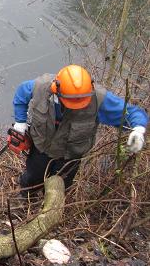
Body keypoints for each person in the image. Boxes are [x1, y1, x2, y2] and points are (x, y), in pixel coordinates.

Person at [11, 64, 148, 195]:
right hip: (40, 148)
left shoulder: (98, 99)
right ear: (56, 88)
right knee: (31, 179)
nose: (76, 105)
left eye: (80, 100)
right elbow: (21, 95)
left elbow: (132, 113)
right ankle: (26, 197)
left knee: (60, 187)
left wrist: (138, 129)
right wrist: (20, 122)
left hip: (70, 156)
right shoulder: (41, 86)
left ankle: (51, 207)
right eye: (72, 100)